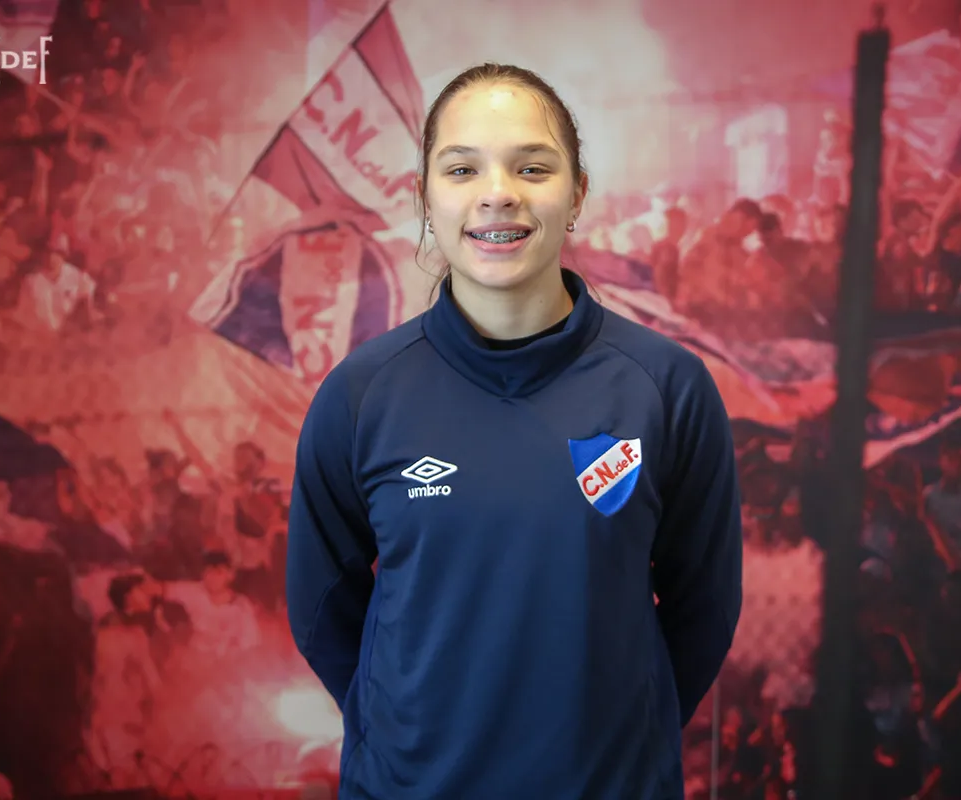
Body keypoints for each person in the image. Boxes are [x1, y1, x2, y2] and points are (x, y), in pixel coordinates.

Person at [286, 63, 743, 799]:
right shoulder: (361, 395)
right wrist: (408, 739)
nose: (498, 192)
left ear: (577, 194)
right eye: (462, 169)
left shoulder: (667, 388)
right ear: (425, 199)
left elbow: (705, 607)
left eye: (532, 167)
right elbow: (319, 607)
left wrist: (621, 743)